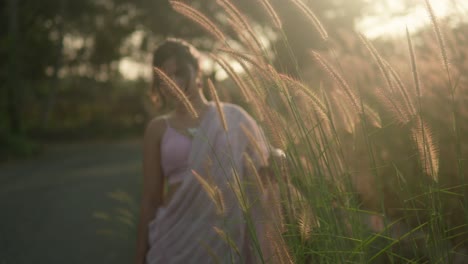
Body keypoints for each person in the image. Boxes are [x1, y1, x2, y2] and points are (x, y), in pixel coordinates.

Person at [134, 38, 280, 264]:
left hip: (224, 237)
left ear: (198, 70)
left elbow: (263, 166)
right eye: (165, 77)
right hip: (174, 238)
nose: (174, 82)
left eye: (180, 72)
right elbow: (150, 199)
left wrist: (280, 160)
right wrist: (139, 257)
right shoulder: (157, 129)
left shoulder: (234, 117)